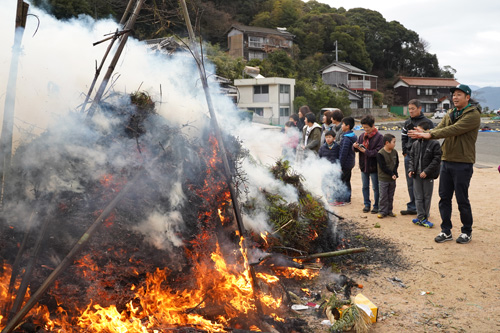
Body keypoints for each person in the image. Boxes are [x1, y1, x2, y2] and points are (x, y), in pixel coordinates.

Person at [409, 84, 481, 244]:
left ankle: (466, 231)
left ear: (467, 97)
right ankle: (446, 230)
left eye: (459, 95)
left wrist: (429, 134)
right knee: (444, 198)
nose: (455, 97)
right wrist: (425, 133)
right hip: (446, 160)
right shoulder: (450, 113)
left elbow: (453, 130)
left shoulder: (473, 115)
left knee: (462, 199)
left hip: (463, 162)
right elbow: (441, 128)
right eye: (454, 95)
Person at [401, 99, 434, 216]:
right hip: (409, 156)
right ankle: (412, 206)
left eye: (413, 109)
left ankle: (423, 210)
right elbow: (403, 137)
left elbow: (432, 138)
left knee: (423, 185)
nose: (410, 111)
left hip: (423, 157)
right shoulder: (407, 123)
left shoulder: (427, 123)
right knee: (410, 182)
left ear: (420, 108)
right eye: (409, 109)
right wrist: (405, 151)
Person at [408, 121, 442, 228]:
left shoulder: (434, 143)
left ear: (427, 131)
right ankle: (420, 217)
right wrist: (411, 169)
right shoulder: (415, 144)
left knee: (427, 197)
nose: (417, 133)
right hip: (416, 175)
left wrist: (427, 171)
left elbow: (436, 160)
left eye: (419, 130)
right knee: (418, 196)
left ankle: (425, 217)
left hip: (428, 176)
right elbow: (412, 158)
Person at [353, 115, 384, 214]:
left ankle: (376, 205)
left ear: (373, 126)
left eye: (367, 127)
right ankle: (367, 204)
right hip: (363, 165)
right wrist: (355, 147)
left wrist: (366, 151)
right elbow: (356, 149)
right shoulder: (362, 136)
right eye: (364, 127)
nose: (366, 130)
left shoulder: (379, 137)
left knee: (376, 187)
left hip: (374, 166)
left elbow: (378, 152)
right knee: (365, 186)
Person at [376, 134, 399, 218]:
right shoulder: (380, 153)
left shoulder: (394, 152)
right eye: (393, 142)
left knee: (390, 195)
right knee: (383, 196)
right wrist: (391, 174)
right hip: (383, 179)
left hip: (392, 179)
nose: (395, 144)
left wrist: (395, 173)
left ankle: (389, 211)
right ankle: (382, 211)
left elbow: (396, 163)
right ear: (387, 143)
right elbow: (383, 167)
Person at [336, 117, 357, 205]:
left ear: (347, 126)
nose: (341, 126)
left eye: (343, 124)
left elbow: (343, 153)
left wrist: (339, 165)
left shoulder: (346, 138)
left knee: (343, 181)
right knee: (347, 180)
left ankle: (343, 199)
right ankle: (347, 198)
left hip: (345, 163)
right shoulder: (352, 135)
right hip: (350, 162)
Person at [319, 130, 340, 205]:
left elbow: (339, 157)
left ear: (334, 138)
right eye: (326, 137)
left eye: (329, 137)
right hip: (325, 168)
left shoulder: (337, 147)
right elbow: (320, 157)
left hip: (333, 169)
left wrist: (338, 167)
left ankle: (332, 198)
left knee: (333, 183)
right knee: (324, 183)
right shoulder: (322, 147)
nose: (327, 139)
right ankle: (324, 197)